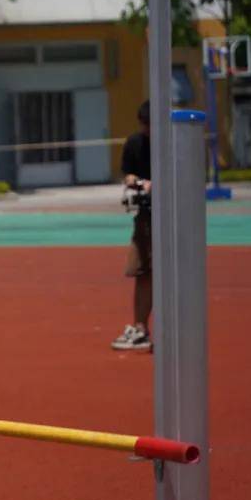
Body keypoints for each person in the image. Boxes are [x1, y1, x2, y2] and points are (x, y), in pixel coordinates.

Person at [112, 100, 153, 351]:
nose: (147, 129)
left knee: (172, 275)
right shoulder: (135, 144)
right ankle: (140, 328)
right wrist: (138, 183)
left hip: (173, 218)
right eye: (145, 125)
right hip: (146, 218)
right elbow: (127, 173)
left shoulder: (174, 144)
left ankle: (180, 329)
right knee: (143, 271)